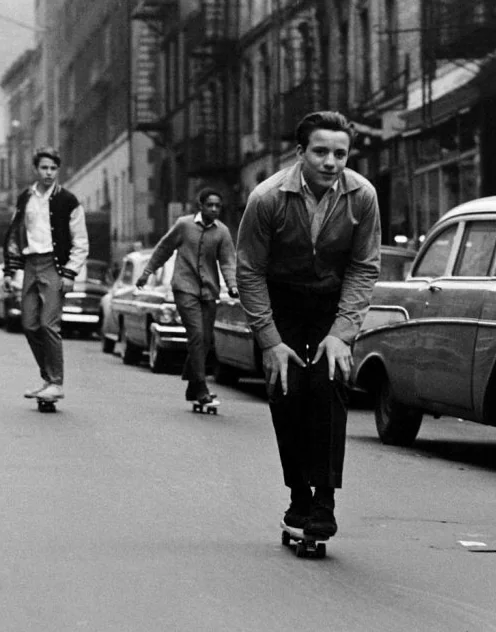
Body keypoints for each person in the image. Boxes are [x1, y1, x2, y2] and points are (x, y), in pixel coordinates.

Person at [236, 111, 381, 539]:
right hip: (280, 301)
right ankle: (298, 494)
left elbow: (363, 267)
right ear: (300, 153)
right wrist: (269, 341)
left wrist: (342, 333)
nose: (331, 162)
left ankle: (324, 500)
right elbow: (250, 272)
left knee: (330, 386)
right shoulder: (267, 199)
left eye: (340, 153)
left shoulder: (362, 197)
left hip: (330, 304)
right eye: (320, 151)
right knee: (287, 391)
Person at [135, 187, 238, 405]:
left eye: (218, 206)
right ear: (200, 206)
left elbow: (228, 262)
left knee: (206, 340)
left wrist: (232, 285)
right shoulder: (184, 225)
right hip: (184, 288)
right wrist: (146, 273)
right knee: (197, 335)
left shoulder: (222, 232)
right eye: (209, 205)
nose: (214, 209)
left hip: (209, 291)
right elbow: (163, 249)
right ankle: (201, 387)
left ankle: (192, 387)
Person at [2, 147, 89, 402]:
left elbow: (80, 240)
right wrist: (9, 271)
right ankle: (47, 377)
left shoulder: (68, 200)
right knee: (29, 324)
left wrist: (71, 271)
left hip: (54, 265)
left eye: (53, 169)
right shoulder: (24, 198)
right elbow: (15, 235)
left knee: (48, 324)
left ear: (57, 170)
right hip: (31, 264)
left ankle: (56, 382)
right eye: (44, 168)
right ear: (36, 170)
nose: (49, 173)